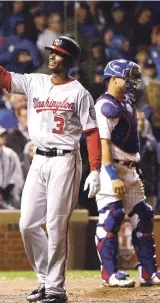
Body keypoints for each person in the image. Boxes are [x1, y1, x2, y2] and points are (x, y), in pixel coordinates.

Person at [0, 19, 102, 303]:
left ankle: (55, 288)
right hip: (38, 160)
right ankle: (45, 279)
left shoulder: (79, 92)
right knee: (27, 224)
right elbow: (1, 76)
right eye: (52, 52)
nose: (52, 55)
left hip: (65, 161)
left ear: (68, 60)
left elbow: (92, 133)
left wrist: (95, 170)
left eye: (58, 53)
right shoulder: (35, 81)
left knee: (56, 225)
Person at [94, 60, 160, 287]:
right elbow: (103, 144)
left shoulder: (128, 101)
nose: (131, 82)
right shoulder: (105, 105)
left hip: (132, 169)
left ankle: (147, 273)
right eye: (127, 77)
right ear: (112, 79)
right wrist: (112, 175)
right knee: (111, 218)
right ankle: (109, 274)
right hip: (113, 168)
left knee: (143, 217)